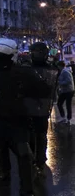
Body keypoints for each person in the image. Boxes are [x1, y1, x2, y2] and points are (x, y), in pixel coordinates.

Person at [0, 38, 52, 196]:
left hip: (18, 122)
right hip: (0, 120)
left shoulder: (23, 73)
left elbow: (44, 89)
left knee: (23, 155)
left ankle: (26, 192)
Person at [26, 42, 58, 177]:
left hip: (32, 106)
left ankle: (36, 158)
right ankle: (39, 159)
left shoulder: (27, 70)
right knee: (40, 135)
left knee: (34, 135)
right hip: (42, 107)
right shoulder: (52, 69)